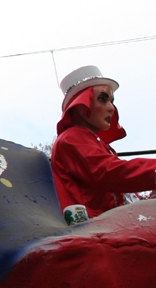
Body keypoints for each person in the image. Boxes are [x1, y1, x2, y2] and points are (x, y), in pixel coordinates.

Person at [51, 65, 156, 218]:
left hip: (112, 225)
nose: (112, 108)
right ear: (81, 106)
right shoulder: (72, 138)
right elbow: (108, 173)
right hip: (93, 229)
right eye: (103, 99)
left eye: (111, 101)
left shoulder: (98, 144)